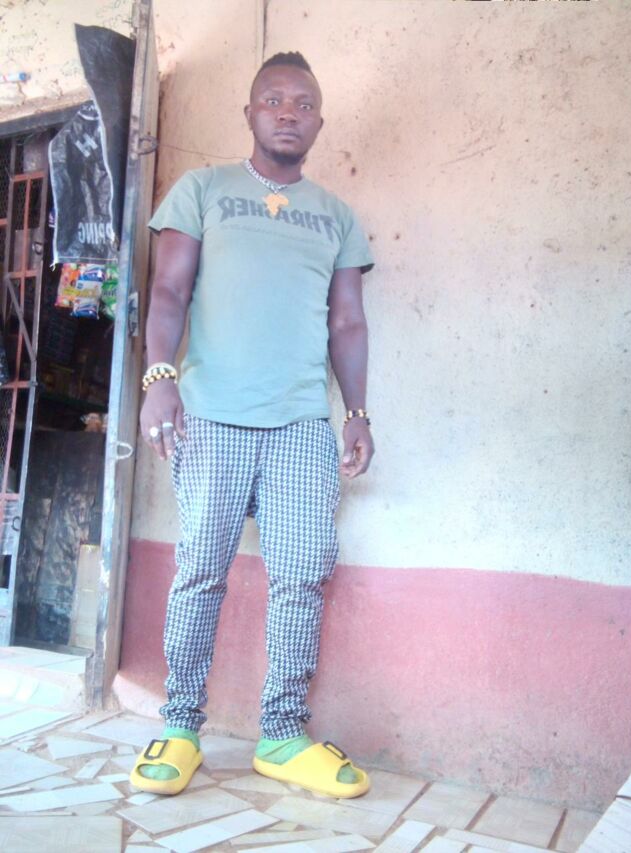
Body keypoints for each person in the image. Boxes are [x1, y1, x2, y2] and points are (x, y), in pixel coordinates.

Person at [130, 51, 374, 799]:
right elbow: (168, 293)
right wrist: (160, 379)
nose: (288, 112)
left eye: (303, 103)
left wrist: (357, 411)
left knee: (301, 575)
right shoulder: (202, 190)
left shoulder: (337, 216)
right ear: (249, 114)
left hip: (300, 422)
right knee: (201, 568)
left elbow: (347, 322)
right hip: (210, 415)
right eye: (273, 100)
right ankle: (179, 727)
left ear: (319, 122)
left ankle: (282, 734)